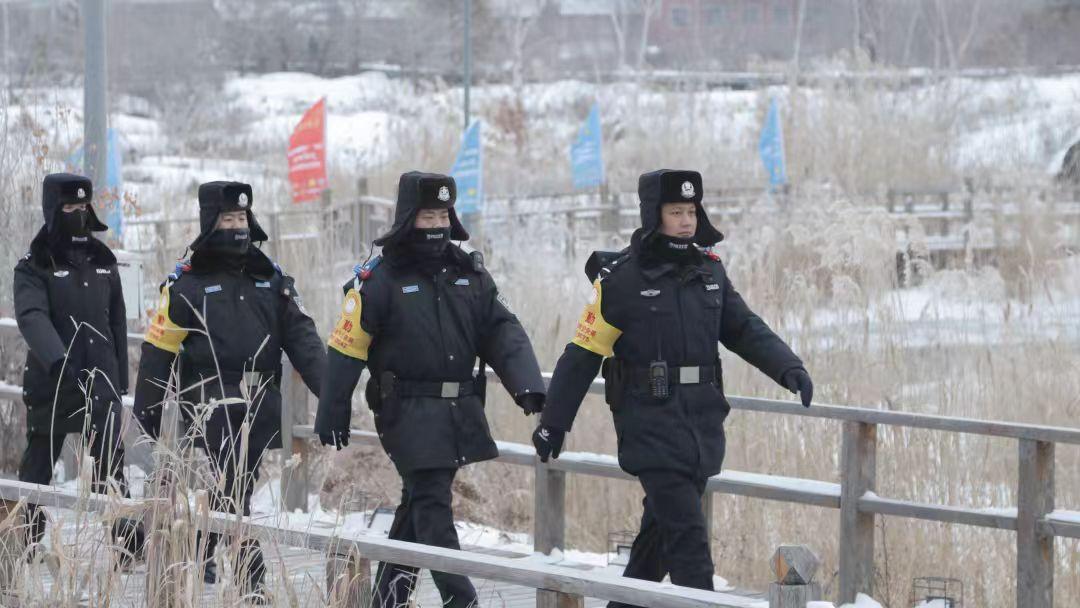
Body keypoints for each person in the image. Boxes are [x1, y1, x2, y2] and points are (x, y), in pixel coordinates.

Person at [532, 169, 814, 607]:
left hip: (701, 423)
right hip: (649, 424)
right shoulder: (621, 280)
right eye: (675, 212)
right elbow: (582, 354)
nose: (686, 221)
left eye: (691, 212)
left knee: (656, 546)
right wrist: (554, 422)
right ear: (654, 215)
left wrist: (788, 368)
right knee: (689, 549)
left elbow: (743, 328)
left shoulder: (709, 271)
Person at [315, 171, 546, 608]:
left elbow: (501, 330)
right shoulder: (379, 280)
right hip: (405, 411)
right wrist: (333, 407)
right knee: (433, 507)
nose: (438, 224)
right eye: (428, 216)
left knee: (417, 505)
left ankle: (388, 600)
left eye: (443, 215)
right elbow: (346, 346)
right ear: (408, 218)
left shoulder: (469, 274)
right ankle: (463, 601)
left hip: (459, 409)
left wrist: (527, 385)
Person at [133, 181, 325, 602]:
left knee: (236, 483)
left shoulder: (270, 278)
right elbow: (158, 350)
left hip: (261, 400)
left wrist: (331, 396)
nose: (237, 226)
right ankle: (251, 578)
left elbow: (303, 338)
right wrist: (147, 410)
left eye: (241, 218)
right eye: (227, 219)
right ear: (210, 223)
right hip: (210, 401)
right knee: (234, 484)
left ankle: (202, 545)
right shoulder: (187, 284)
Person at [14, 173, 142, 565]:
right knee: (37, 467)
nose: (79, 214)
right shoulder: (34, 265)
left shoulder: (104, 261)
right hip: (53, 382)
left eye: (84, 207)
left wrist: (119, 380)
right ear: (54, 210)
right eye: (70, 207)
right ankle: (22, 542)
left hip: (100, 382)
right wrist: (57, 359)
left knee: (111, 467)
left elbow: (116, 322)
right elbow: (31, 315)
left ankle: (128, 547)